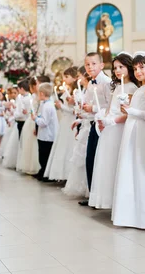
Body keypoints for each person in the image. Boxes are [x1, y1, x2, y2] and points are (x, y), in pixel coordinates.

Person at [111, 51, 145, 229]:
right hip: (132, 130)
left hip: (141, 130)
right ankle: (130, 214)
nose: (138, 71)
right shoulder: (141, 88)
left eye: (141, 67)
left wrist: (130, 111)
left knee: (141, 168)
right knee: (130, 167)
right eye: (135, 68)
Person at [89, 52, 138, 209]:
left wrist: (113, 120)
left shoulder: (131, 87)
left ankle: (119, 203)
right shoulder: (117, 86)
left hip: (120, 128)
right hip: (110, 127)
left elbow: (127, 112)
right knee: (106, 163)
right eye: (115, 67)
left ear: (129, 67)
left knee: (115, 163)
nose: (117, 71)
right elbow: (111, 107)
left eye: (121, 67)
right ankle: (107, 200)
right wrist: (104, 118)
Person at [79, 52, 111, 206]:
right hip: (91, 123)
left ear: (101, 65)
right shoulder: (91, 83)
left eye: (93, 63)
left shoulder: (107, 82)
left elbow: (110, 105)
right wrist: (84, 107)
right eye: (87, 64)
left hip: (102, 125)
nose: (90, 67)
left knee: (98, 160)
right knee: (90, 159)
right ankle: (92, 194)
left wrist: (91, 107)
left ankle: (98, 195)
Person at [44, 66, 79, 182]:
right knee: (62, 146)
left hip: (71, 121)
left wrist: (62, 106)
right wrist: (60, 106)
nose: (64, 79)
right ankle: (61, 174)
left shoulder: (76, 92)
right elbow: (65, 109)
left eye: (67, 76)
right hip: (64, 120)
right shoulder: (66, 90)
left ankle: (70, 175)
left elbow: (75, 110)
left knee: (70, 147)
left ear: (74, 78)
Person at [63, 66, 92, 198]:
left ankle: (88, 188)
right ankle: (82, 187)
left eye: (80, 76)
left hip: (89, 125)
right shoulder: (84, 90)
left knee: (87, 157)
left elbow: (91, 109)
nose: (78, 79)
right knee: (80, 157)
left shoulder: (90, 89)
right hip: (84, 123)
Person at [32, 83, 59, 180]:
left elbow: (44, 122)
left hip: (47, 136)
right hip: (43, 135)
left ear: (42, 94)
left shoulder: (47, 106)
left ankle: (45, 174)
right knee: (42, 155)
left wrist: (35, 119)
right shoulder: (46, 104)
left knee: (45, 156)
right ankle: (42, 171)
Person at [17, 77, 41, 175]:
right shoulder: (33, 97)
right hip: (30, 120)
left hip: (35, 120)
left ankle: (36, 166)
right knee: (28, 144)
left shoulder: (38, 96)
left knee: (34, 145)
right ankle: (29, 165)